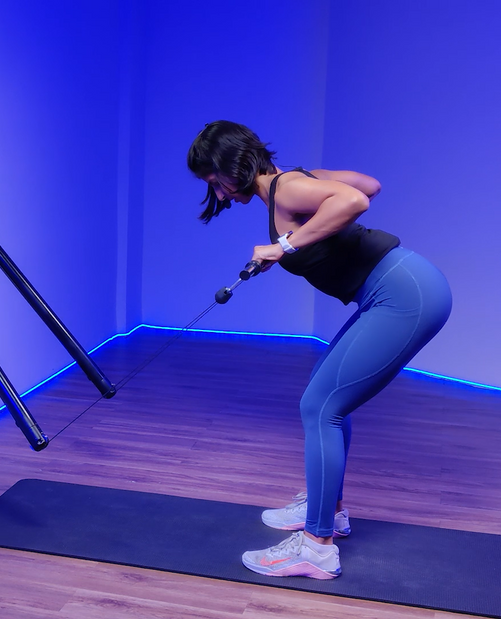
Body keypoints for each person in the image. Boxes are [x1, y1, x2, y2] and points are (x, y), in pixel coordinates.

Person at [188, 121, 452, 580]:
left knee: (321, 406)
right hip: (398, 290)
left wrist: (285, 244)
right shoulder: (293, 182)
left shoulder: (286, 188)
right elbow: (368, 182)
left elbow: (356, 199)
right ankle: (329, 507)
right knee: (325, 396)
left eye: (216, 182)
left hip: (404, 295)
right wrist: (304, 206)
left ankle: (316, 547)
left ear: (231, 165)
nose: (223, 195)